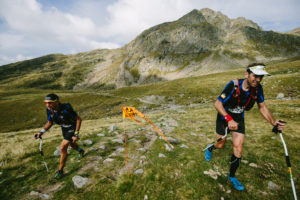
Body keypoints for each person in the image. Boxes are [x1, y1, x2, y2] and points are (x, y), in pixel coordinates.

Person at [204, 63, 286, 191]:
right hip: (223, 118)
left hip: (239, 119)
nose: (258, 80)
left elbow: (262, 107)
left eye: (261, 77)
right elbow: (217, 104)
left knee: (238, 149)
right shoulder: (233, 85)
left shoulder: (258, 89)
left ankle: (232, 176)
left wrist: (273, 122)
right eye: (256, 76)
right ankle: (210, 148)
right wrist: (228, 119)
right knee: (220, 145)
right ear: (246, 74)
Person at [34, 93, 84, 179]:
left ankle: (60, 171)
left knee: (62, 147)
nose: (47, 105)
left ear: (57, 102)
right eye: (46, 103)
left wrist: (76, 134)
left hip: (72, 126)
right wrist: (41, 132)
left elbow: (78, 119)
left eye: (50, 102)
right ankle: (81, 151)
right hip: (64, 128)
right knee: (71, 144)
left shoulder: (66, 109)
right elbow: (50, 122)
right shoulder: (49, 110)